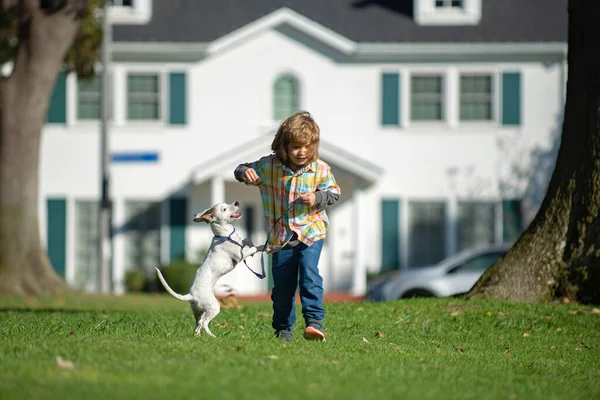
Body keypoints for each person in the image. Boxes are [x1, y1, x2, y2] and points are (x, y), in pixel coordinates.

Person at [234, 111, 341, 341]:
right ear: (283, 146)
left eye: (308, 147)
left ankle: (314, 321)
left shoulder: (320, 170)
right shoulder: (269, 166)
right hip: (280, 237)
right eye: (295, 147)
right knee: (283, 286)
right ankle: (283, 329)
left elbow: (334, 193)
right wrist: (246, 173)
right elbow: (240, 169)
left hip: (311, 231)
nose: (302, 152)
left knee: (309, 272)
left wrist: (317, 198)